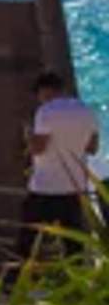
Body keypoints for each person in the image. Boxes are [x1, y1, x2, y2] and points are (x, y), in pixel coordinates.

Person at [27, 68, 97, 258]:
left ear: (44, 91)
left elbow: (39, 148)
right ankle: (78, 283)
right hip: (75, 187)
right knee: (73, 243)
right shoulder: (85, 110)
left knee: (28, 239)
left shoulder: (45, 111)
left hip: (45, 187)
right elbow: (92, 147)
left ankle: (13, 283)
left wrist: (28, 138)